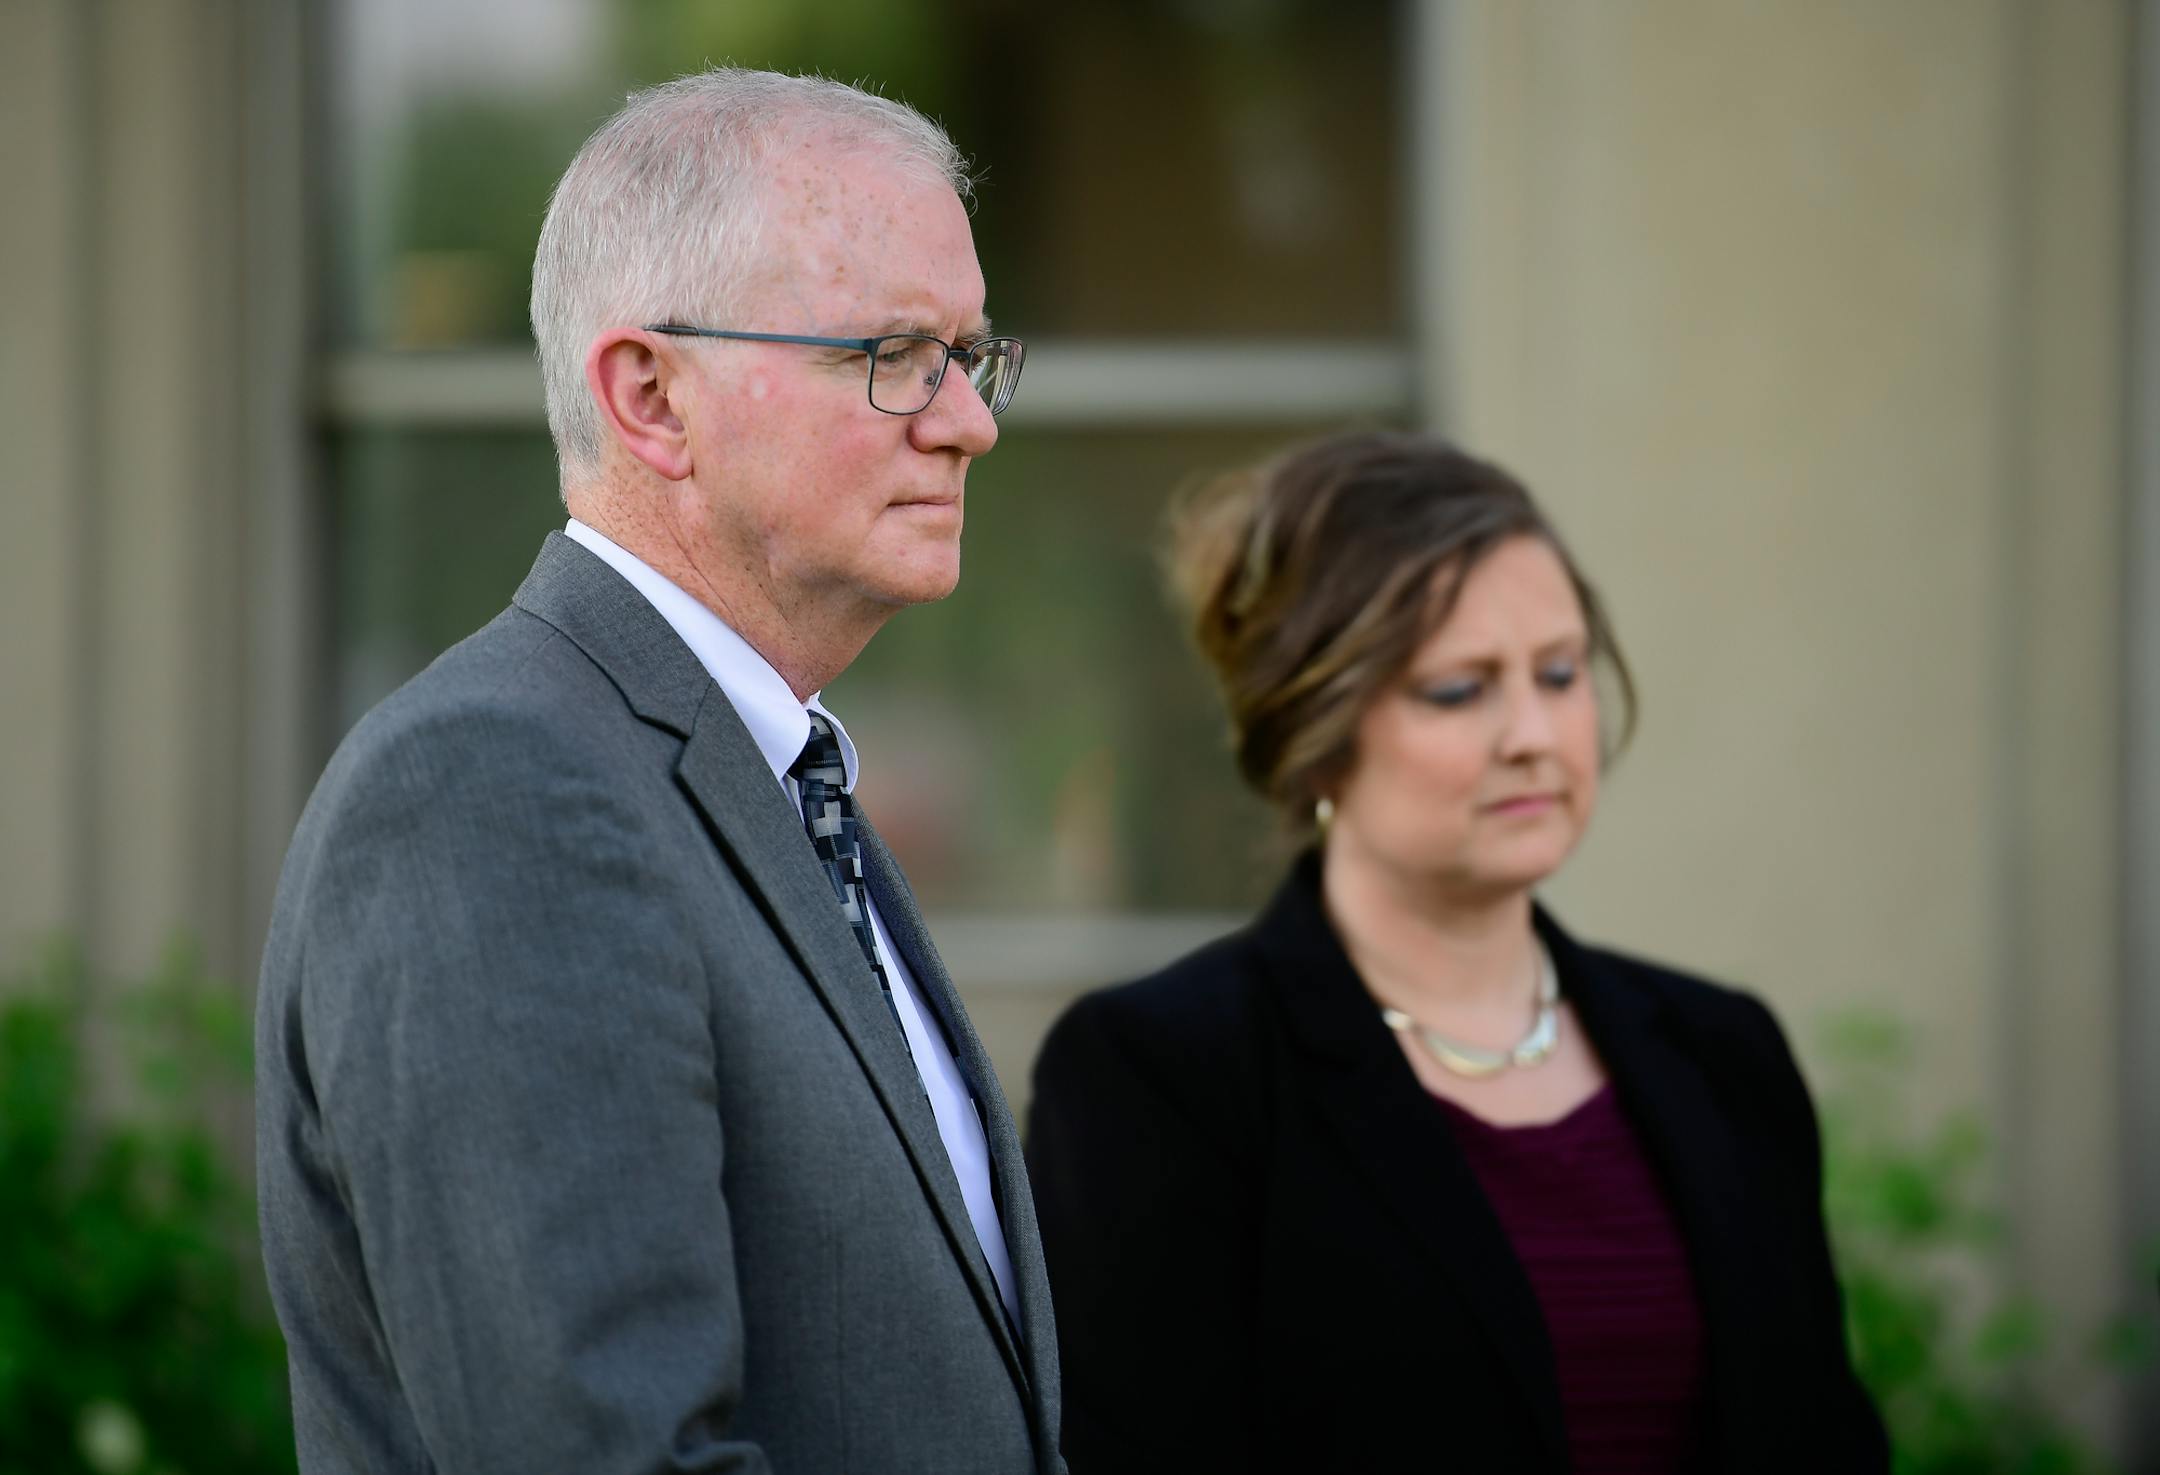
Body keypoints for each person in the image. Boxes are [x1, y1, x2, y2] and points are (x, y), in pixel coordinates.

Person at [256, 69, 1063, 1474]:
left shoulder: (775, 780)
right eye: (892, 352)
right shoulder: (490, 789)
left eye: (970, 355)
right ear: (649, 396)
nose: (966, 421)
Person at [1025, 431, 1888, 1474]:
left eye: (1560, 673)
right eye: (1459, 688)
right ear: (1317, 726)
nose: (1534, 732)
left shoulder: (1723, 1052)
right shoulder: (1162, 1077)